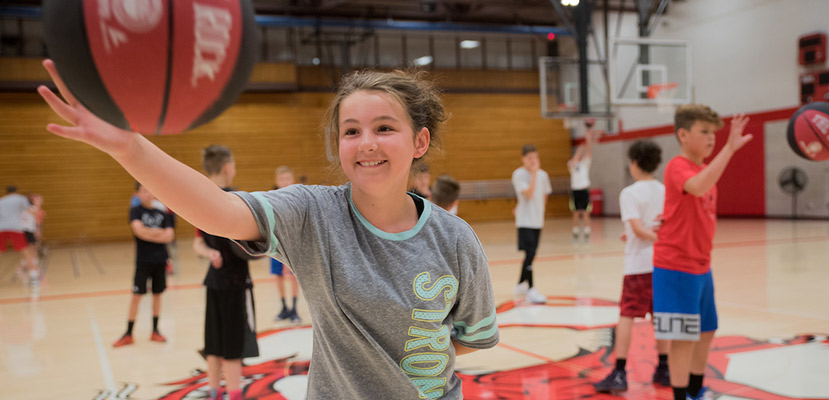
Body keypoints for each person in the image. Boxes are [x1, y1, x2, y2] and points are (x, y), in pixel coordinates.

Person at [37, 61, 499, 399]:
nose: (367, 144)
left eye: (384, 127)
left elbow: (471, 337)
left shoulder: (455, 239)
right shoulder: (312, 213)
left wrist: (409, 355)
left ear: (420, 141)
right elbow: (216, 210)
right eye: (351, 131)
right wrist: (130, 148)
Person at [653, 105, 752, 400]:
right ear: (683, 135)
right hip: (676, 268)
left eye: (714, 133)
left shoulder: (703, 168)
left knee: (707, 331)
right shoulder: (677, 165)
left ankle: (696, 390)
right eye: (704, 132)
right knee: (683, 338)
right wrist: (730, 149)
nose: (712, 139)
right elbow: (697, 187)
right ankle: (681, 396)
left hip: (701, 266)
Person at [594, 140, 670, 392]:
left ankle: (619, 372)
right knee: (660, 319)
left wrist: (638, 233)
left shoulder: (630, 193)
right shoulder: (665, 190)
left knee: (626, 316)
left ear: (635, 163)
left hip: (638, 266)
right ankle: (664, 367)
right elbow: (653, 225)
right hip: (662, 265)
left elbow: (639, 227)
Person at [192, 145, 259, 400]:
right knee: (233, 345)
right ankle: (234, 395)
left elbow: (198, 241)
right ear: (228, 167)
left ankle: (213, 393)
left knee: (213, 343)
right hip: (235, 282)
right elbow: (254, 243)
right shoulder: (238, 200)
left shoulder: (201, 199)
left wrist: (208, 253)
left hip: (214, 281)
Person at [113, 183, 174, 347]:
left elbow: (169, 236)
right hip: (143, 261)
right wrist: (157, 233)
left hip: (160, 260)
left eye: (150, 190)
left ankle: (155, 330)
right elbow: (138, 231)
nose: (148, 194)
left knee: (157, 295)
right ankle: (128, 333)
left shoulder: (163, 212)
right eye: (144, 191)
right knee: (136, 296)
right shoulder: (136, 211)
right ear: (138, 194)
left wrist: (148, 232)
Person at [512, 144, 551, 304]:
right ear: (523, 159)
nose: (533, 161)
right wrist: (534, 173)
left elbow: (544, 195)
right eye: (529, 158)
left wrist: (541, 211)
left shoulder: (544, 175)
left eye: (535, 157)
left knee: (532, 254)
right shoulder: (518, 174)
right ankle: (531, 289)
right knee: (529, 253)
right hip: (525, 220)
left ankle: (520, 284)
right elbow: (528, 194)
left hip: (537, 220)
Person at [270, 166, 300, 323]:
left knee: (294, 276)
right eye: (282, 179)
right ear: (277, 181)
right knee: (278, 275)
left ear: (292, 180)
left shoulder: (298, 199)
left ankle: (295, 308)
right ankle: (284, 307)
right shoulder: (271, 199)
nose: (285, 182)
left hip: (295, 245)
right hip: (276, 244)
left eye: (288, 179)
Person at [567, 118, 600, 242]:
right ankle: (575, 232)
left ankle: (587, 232)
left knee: (586, 213)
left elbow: (589, 150)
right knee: (576, 213)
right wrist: (579, 150)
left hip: (584, 190)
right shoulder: (572, 163)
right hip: (575, 191)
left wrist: (588, 135)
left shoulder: (585, 164)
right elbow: (574, 160)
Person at [0, 186, 40, 285]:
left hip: (1, 228)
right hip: (16, 228)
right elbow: (33, 211)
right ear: (16, 191)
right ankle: (34, 276)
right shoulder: (21, 199)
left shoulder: (2, 200)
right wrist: (38, 205)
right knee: (26, 251)